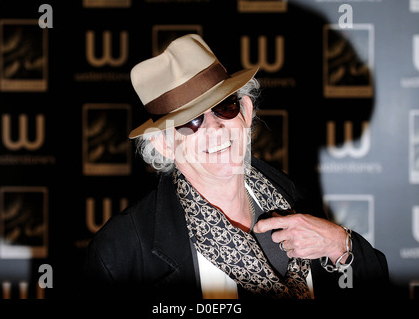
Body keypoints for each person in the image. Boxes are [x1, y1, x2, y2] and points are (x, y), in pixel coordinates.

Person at [83, 34, 388, 299]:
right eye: (191, 121)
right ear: (163, 145)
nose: (215, 128)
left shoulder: (294, 196)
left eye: (224, 107)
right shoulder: (121, 253)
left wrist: (340, 244)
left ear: (246, 110)